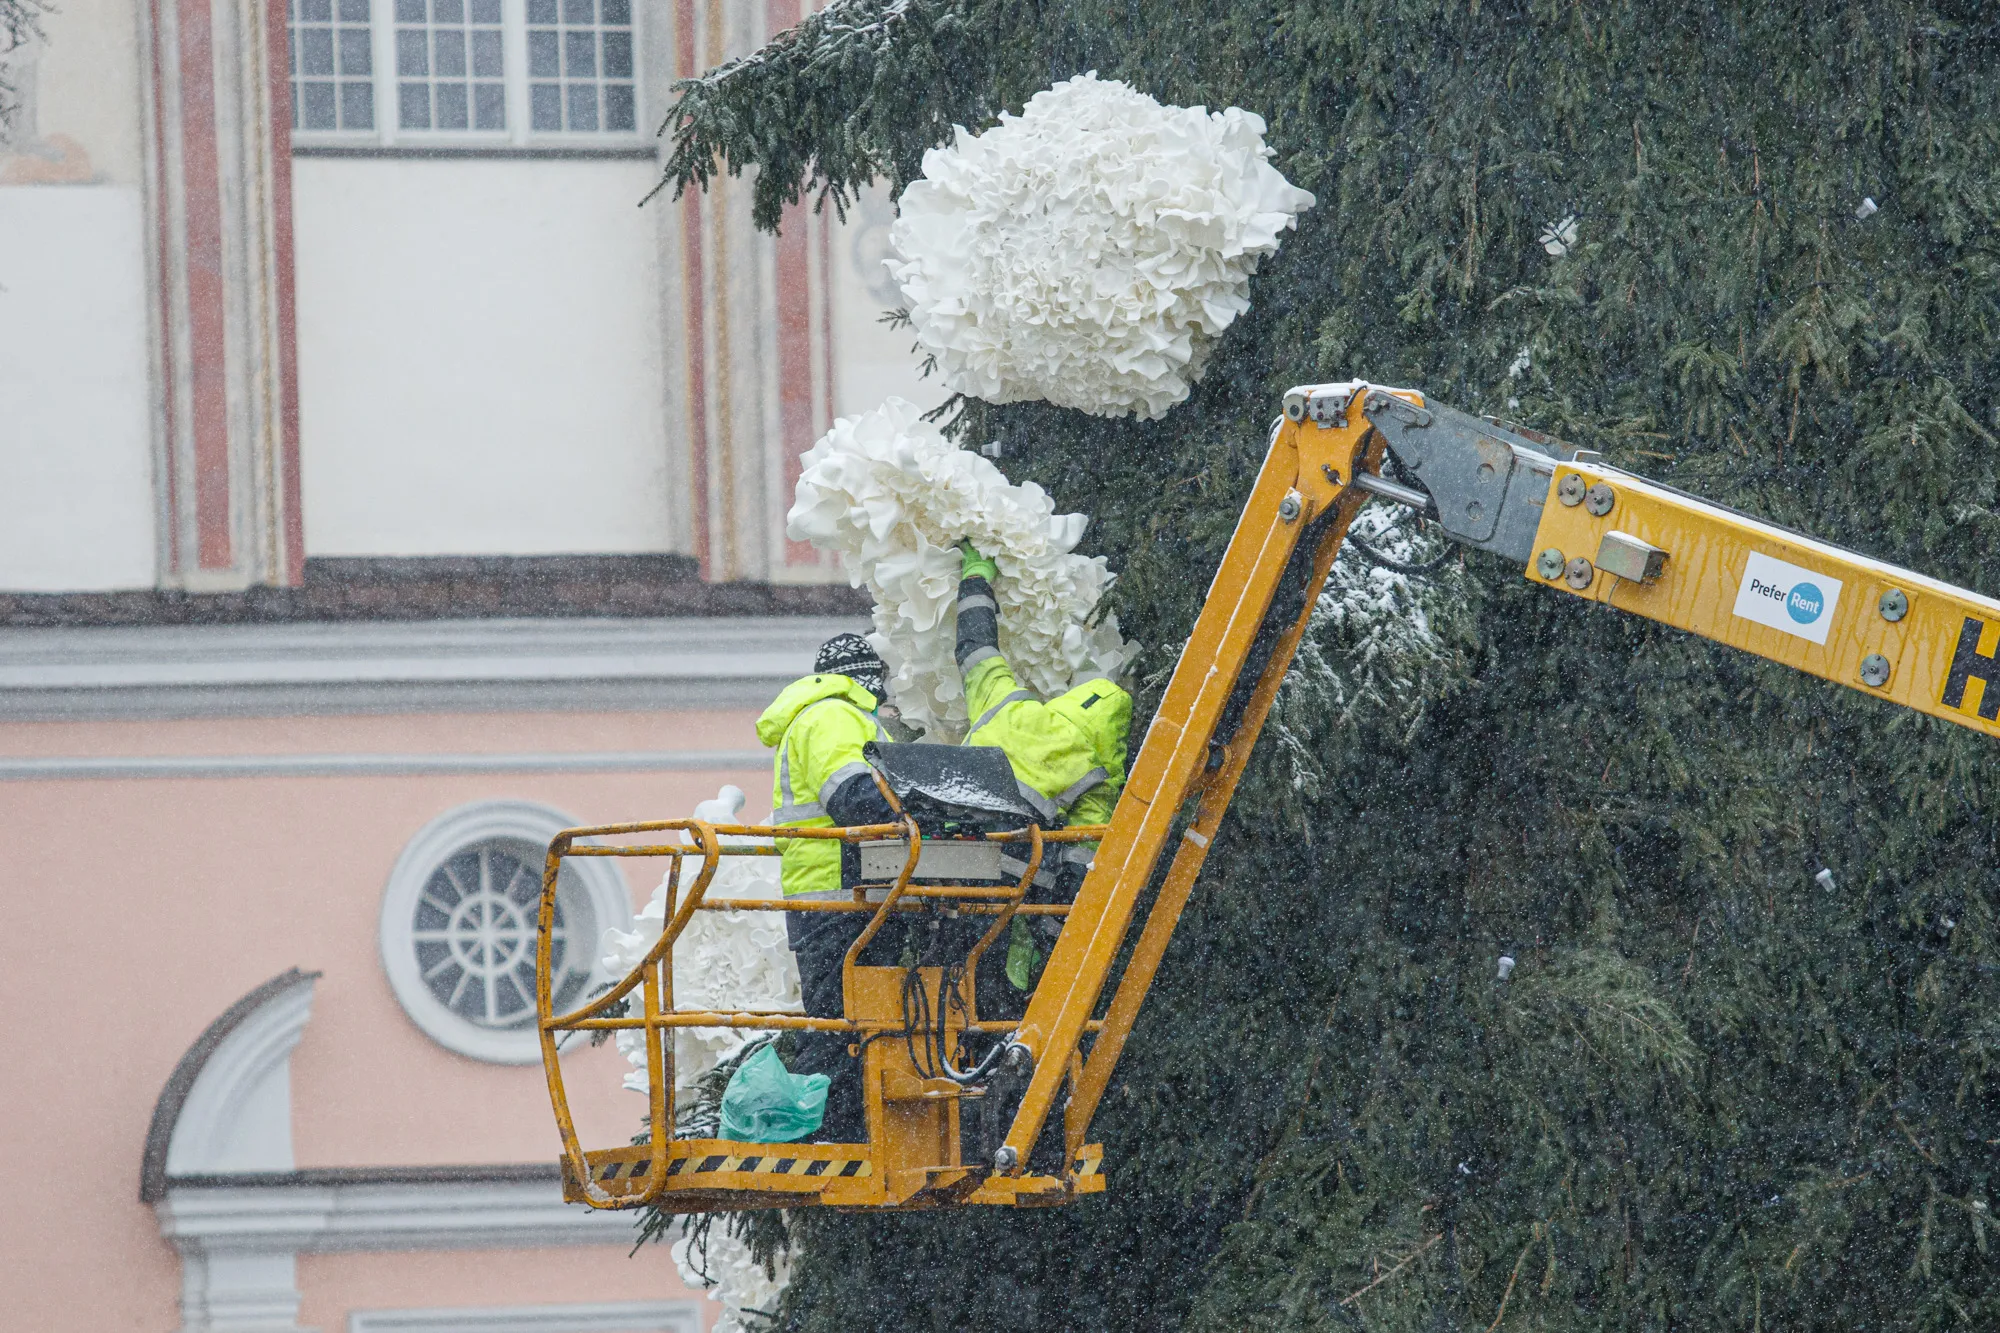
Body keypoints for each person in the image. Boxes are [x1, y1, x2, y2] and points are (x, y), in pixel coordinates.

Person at [953, 542, 1133, 998]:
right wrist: (1052, 939)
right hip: (1011, 885)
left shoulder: (1008, 707)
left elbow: (975, 646)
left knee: (947, 980)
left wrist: (976, 576)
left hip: (942, 861)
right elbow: (1080, 862)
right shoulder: (1095, 772)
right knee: (992, 991)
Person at [754, 632, 897, 1141]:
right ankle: (835, 1134)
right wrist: (918, 816)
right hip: (841, 892)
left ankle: (841, 1129)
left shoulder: (822, 716)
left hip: (833, 893)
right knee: (841, 1026)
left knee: (844, 1020)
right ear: (867, 679)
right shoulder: (834, 715)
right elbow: (854, 796)